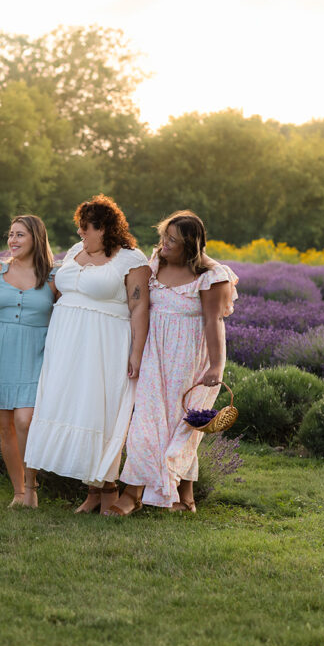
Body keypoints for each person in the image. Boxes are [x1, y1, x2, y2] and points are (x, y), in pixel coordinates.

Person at [24, 195, 151, 514]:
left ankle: (107, 490)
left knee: (99, 410)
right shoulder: (74, 253)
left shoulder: (131, 259)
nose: (80, 233)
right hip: (67, 341)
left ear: (105, 228)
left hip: (105, 341)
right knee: (73, 408)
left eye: (86, 228)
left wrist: (136, 352)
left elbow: (139, 308)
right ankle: (92, 491)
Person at [108, 210, 238, 516]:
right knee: (145, 423)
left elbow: (214, 321)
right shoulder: (154, 265)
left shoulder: (211, 275)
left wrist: (217, 366)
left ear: (190, 245)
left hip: (189, 356)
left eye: (173, 240)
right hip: (155, 352)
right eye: (164, 236)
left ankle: (184, 492)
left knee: (183, 423)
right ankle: (132, 493)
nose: (164, 244)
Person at [0, 215, 58, 508]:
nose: (12, 240)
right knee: (5, 426)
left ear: (36, 238)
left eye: (20, 235)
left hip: (36, 353)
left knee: (25, 420)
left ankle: (31, 485)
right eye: (11, 234)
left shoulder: (53, 277)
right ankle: (19, 493)